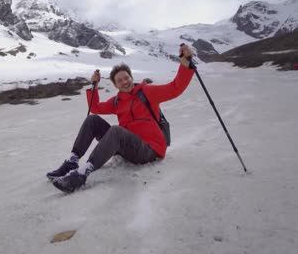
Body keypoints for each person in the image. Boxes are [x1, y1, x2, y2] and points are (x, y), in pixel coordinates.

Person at [47, 44, 196, 193]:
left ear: (131, 77)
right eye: (120, 81)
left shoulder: (147, 92)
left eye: (126, 77)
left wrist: (184, 65)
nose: (125, 82)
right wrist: (94, 86)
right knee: (92, 120)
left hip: (150, 150)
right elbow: (95, 107)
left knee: (116, 131)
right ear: (115, 85)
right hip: (128, 148)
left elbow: (175, 88)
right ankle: (72, 161)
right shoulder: (117, 100)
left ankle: (82, 173)